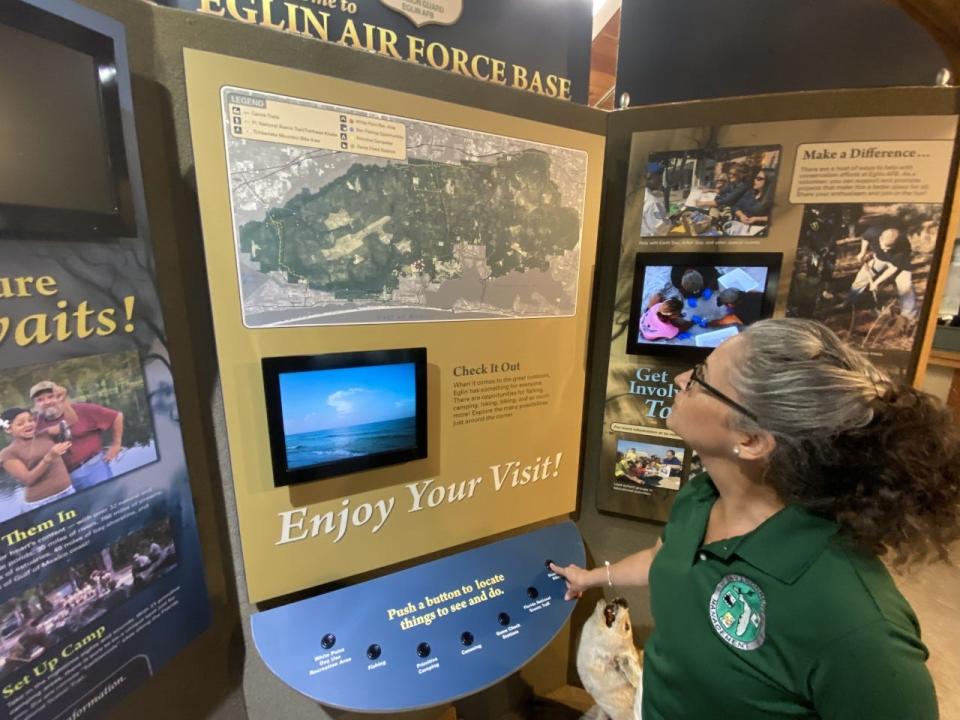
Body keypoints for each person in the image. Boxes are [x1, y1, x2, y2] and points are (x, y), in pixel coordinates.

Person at [551, 318, 956, 719]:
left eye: (701, 378)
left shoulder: (859, 625)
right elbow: (666, 558)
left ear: (751, 440)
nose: (680, 379)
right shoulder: (702, 496)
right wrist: (590, 578)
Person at [31, 381, 123, 491]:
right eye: (40, 400)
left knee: (108, 499)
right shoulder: (35, 425)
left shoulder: (83, 409)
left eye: (51, 397)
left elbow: (117, 416)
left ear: (60, 396)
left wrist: (116, 445)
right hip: (65, 479)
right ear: (35, 405)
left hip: (95, 467)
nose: (46, 402)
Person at [0, 408, 74, 512]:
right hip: (42, 503)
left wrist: (59, 401)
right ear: (8, 429)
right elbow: (28, 479)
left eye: (30, 420)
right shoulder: (7, 453)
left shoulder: (44, 434)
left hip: (68, 492)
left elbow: (70, 421)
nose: (28, 424)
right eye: (20, 424)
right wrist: (49, 458)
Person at [843, 224, 917, 321]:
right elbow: (866, 238)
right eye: (884, 247)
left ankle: (908, 318)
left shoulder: (903, 247)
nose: (885, 250)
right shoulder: (873, 232)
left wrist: (876, 283)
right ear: (880, 239)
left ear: (896, 244)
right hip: (879, 259)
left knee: (905, 287)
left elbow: (893, 269)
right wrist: (862, 252)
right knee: (861, 279)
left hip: (900, 264)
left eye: (889, 248)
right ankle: (849, 304)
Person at [641, 163, 671, 236]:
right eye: (659, 177)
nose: (661, 181)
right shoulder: (652, 201)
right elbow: (660, 229)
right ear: (649, 177)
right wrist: (672, 224)